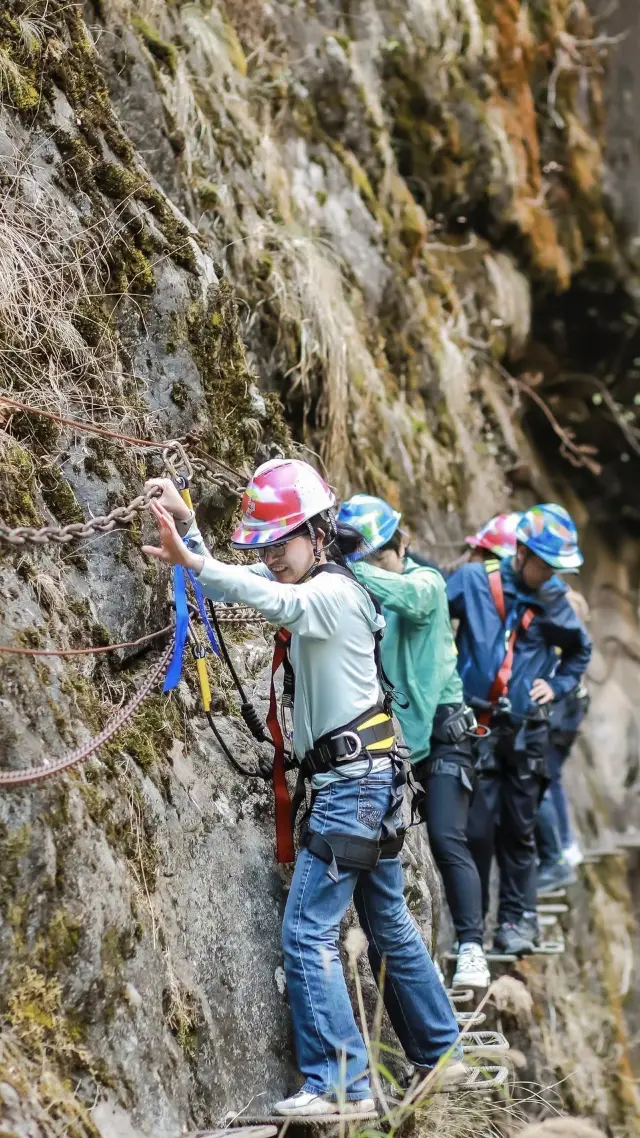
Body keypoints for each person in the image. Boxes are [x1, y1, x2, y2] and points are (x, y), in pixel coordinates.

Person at [142, 460, 464, 1117]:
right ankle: (441, 1055)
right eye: (264, 546)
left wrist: (196, 564)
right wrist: (187, 526)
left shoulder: (330, 594)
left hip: (355, 788)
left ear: (317, 534)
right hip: (368, 781)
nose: (271, 558)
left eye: (279, 543)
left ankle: (342, 1084)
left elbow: (274, 600)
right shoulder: (315, 575)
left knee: (309, 933)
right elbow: (248, 586)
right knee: (388, 925)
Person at [337, 494, 490, 989]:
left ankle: (471, 947)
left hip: (444, 738)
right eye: (366, 559)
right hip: (399, 746)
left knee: (447, 837)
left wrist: (339, 567)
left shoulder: (426, 584)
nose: (375, 568)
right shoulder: (366, 603)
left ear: (401, 547)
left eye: (381, 556)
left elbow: (405, 595)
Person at [447, 504, 592, 956]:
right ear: (523, 551)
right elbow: (434, 622)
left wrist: (560, 685)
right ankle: (478, 925)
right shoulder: (473, 582)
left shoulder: (554, 600)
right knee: (477, 830)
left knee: (520, 830)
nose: (550, 573)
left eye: (556, 567)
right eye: (545, 563)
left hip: (528, 733)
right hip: (479, 727)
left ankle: (518, 921)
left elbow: (579, 652)